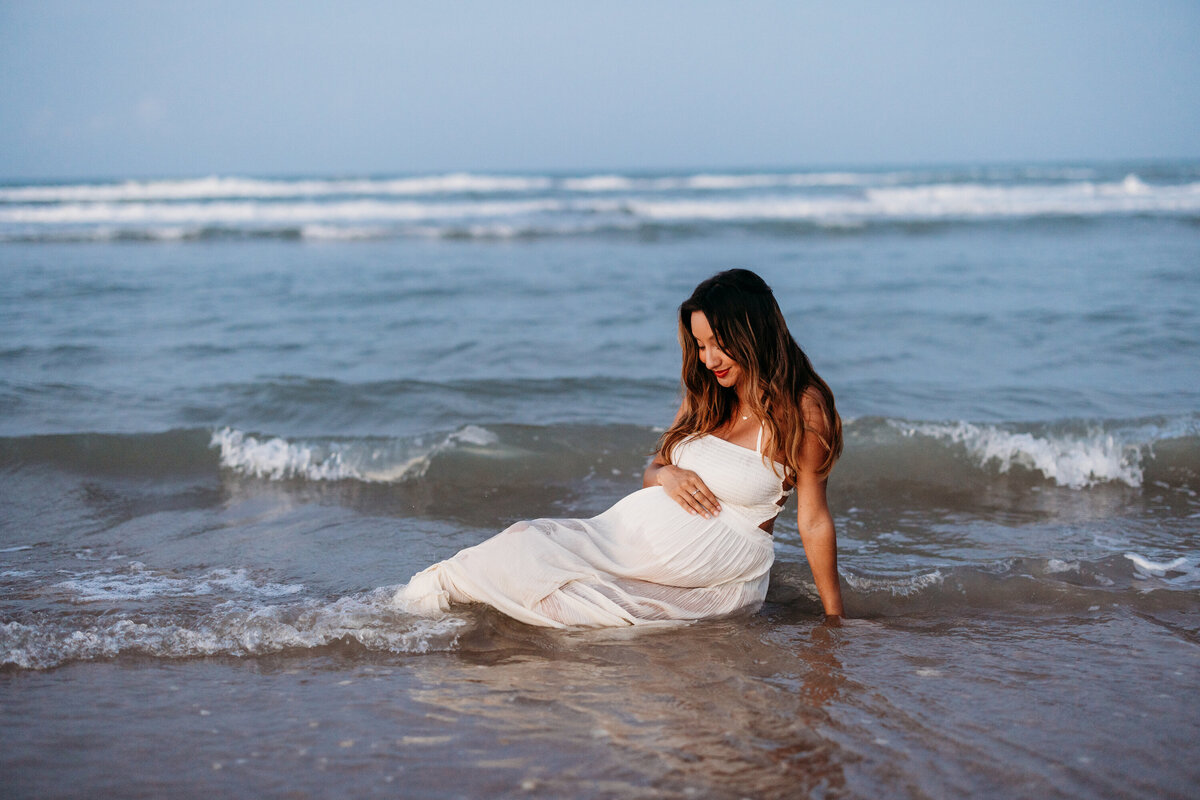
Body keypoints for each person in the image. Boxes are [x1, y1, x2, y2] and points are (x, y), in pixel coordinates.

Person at [395, 268, 844, 627]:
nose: (708, 360)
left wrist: (833, 618)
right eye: (700, 345)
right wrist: (667, 475)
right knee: (521, 540)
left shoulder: (802, 409)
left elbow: (814, 520)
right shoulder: (706, 396)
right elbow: (653, 472)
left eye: (718, 344)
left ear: (752, 332)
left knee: (561, 607)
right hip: (623, 542)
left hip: (716, 571)